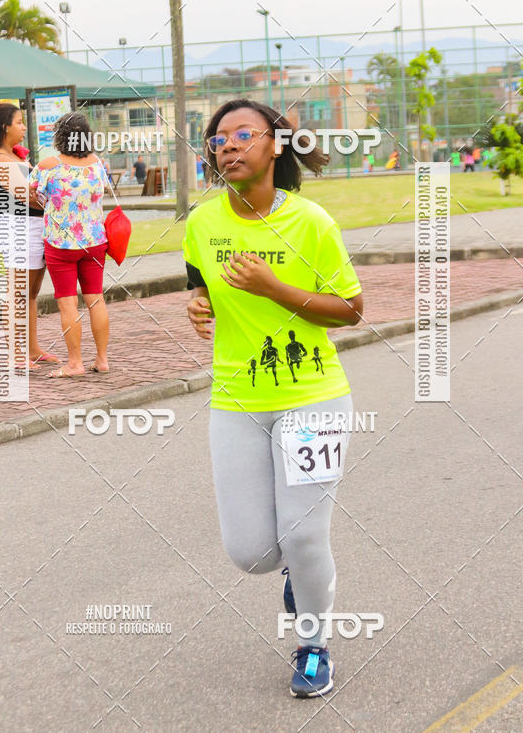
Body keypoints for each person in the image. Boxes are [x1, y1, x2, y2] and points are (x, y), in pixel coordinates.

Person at [183, 98, 363, 698]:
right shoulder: (201, 225)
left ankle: (313, 645)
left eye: (242, 134)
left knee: (306, 534)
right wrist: (198, 306)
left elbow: (352, 311)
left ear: (275, 145)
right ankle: (294, 572)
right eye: (217, 139)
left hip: (315, 397)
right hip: (235, 399)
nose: (227, 146)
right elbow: (202, 291)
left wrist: (273, 286)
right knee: (252, 552)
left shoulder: (312, 222)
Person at [29, 112, 110, 378]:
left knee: (68, 304)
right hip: (96, 241)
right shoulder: (98, 164)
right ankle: (101, 359)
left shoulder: (48, 166)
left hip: (61, 244)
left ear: (60, 137)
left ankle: (75, 363)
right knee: (96, 299)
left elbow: (31, 195)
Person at [0, 102, 60, 368]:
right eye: (19, 122)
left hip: (35, 227)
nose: (24, 127)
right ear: (4, 127)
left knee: (32, 292)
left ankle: (33, 349)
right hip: (18, 229)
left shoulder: (16, 157)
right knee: (18, 292)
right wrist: (63, 201)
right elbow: (29, 194)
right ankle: (15, 353)